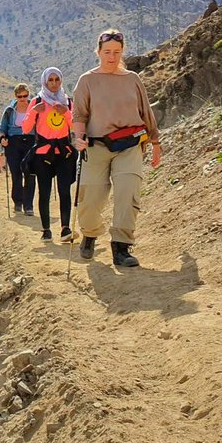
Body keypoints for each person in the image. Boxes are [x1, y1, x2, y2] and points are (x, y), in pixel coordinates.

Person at [71, 29, 162, 267]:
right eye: (107, 52)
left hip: (129, 145)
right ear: (98, 51)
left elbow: (146, 112)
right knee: (89, 197)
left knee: (128, 192)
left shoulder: (132, 79)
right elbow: (79, 115)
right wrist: (78, 138)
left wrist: (155, 143)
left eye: (117, 52)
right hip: (96, 146)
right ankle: (90, 233)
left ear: (122, 52)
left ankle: (121, 247)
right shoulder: (87, 80)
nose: (112, 57)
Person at [22, 67, 77, 242]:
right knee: (44, 192)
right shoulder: (37, 101)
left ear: (61, 80)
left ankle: (65, 228)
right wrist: (34, 112)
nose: (54, 83)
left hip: (63, 153)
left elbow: (75, 126)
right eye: (50, 80)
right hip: (43, 154)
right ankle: (46, 230)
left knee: (64, 191)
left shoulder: (67, 102)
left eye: (57, 80)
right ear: (45, 82)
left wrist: (66, 112)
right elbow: (25, 128)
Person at [0, 83, 36, 215]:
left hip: (30, 141)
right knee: (16, 174)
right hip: (13, 143)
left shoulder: (34, 109)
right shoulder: (9, 111)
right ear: (15, 96)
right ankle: (18, 202)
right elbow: (2, 128)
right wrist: (2, 139)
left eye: (25, 96)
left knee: (30, 174)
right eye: (20, 96)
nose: (23, 99)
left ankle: (29, 205)